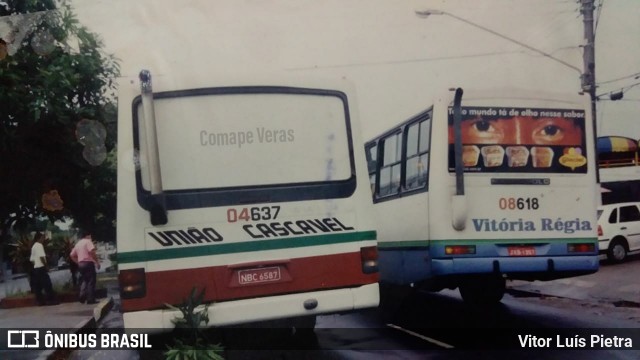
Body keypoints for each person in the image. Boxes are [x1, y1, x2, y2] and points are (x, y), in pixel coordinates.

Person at [70, 230, 101, 304]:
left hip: (81, 264)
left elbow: (71, 255)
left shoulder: (78, 244)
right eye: (90, 236)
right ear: (87, 235)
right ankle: (91, 299)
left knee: (84, 280)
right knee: (91, 281)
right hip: (88, 263)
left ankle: (82, 296)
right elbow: (92, 252)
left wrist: (78, 262)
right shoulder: (88, 242)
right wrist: (97, 262)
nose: (90, 237)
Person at [30, 232, 58, 306]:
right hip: (41, 267)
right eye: (42, 237)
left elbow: (32, 260)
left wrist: (36, 264)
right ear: (39, 238)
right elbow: (42, 257)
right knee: (47, 284)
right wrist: (46, 266)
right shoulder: (39, 245)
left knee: (38, 286)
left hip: (36, 268)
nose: (43, 239)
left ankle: (40, 301)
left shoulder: (33, 246)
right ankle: (50, 300)